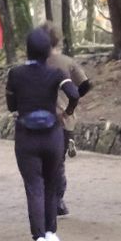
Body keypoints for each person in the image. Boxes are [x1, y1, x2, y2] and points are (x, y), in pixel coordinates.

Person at [5, 27, 79, 241]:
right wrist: (66, 111)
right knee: (51, 183)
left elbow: (12, 106)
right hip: (52, 135)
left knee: (34, 186)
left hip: (27, 136)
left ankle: (38, 239)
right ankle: (51, 233)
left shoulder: (15, 74)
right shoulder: (56, 74)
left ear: (26, 51)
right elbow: (74, 93)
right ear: (48, 52)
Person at [42, 22, 91, 216]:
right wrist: (71, 104)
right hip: (63, 119)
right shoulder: (67, 62)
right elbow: (85, 84)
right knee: (58, 162)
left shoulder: (36, 63)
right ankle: (57, 200)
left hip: (39, 119)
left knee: (42, 161)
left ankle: (45, 198)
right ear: (58, 40)